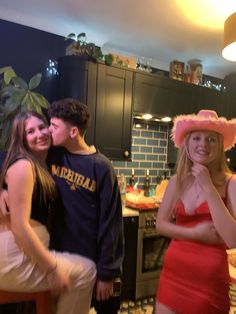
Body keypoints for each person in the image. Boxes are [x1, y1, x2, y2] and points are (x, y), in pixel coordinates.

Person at [0, 111, 96, 314]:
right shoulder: (24, 165)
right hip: (14, 253)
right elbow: (20, 226)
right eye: (30, 131)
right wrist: (51, 268)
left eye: (42, 127)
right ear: (21, 139)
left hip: (22, 253)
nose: (40, 134)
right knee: (86, 271)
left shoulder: (46, 161)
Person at [46, 98, 124, 314]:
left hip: (97, 264)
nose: (48, 130)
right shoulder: (53, 156)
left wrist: (107, 274)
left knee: (106, 309)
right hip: (63, 262)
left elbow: (112, 223)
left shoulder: (101, 167)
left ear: (73, 132)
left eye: (54, 126)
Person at [155, 109, 236, 314]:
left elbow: (233, 239)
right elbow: (160, 224)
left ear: (220, 146)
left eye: (211, 139)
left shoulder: (231, 183)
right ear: (187, 144)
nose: (203, 144)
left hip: (208, 283)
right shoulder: (176, 181)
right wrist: (195, 234)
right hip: (172, 277)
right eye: (197, 138)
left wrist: (208, 187)